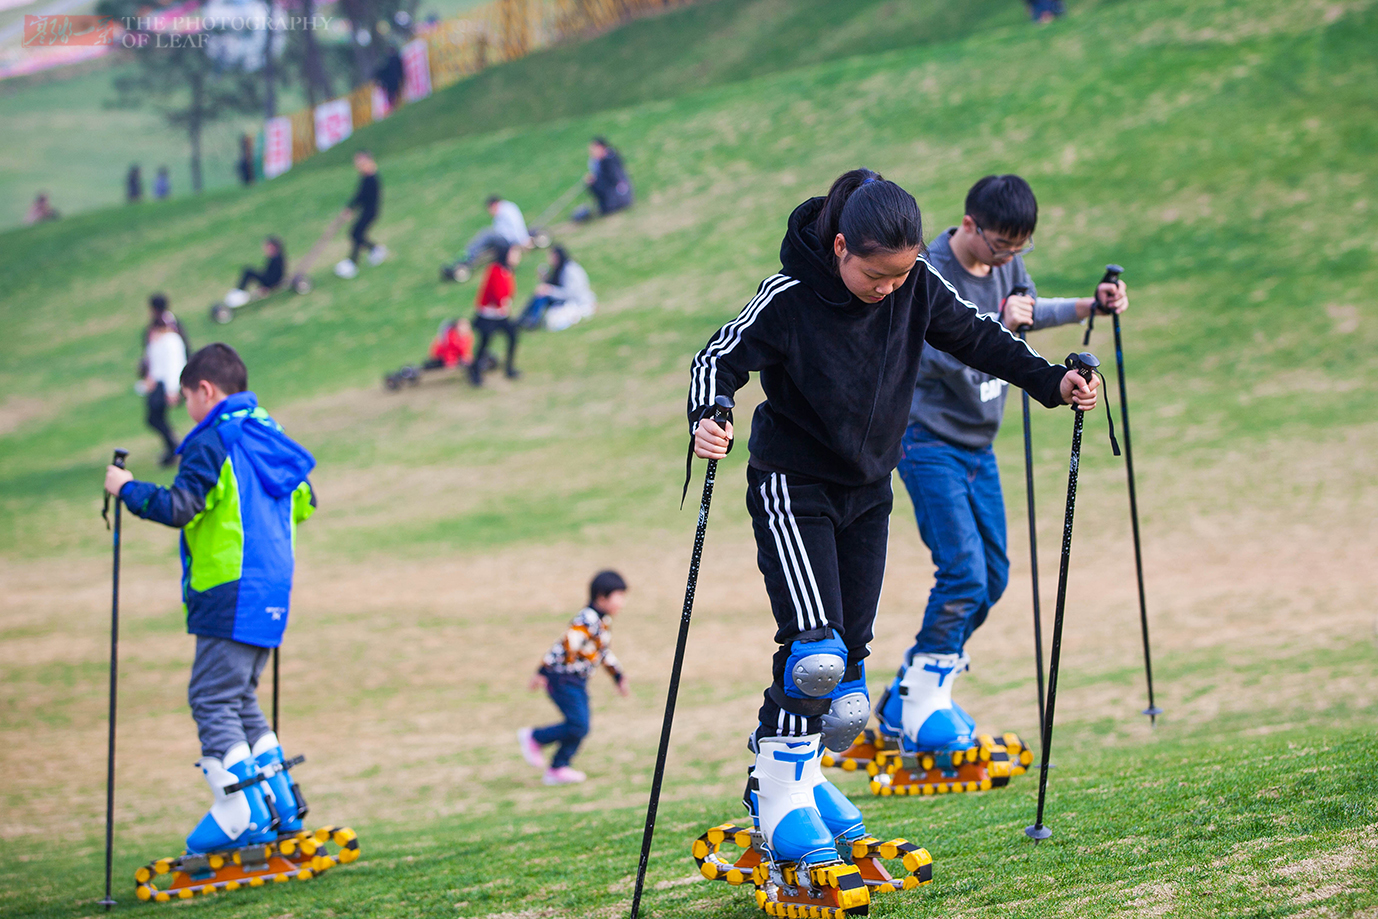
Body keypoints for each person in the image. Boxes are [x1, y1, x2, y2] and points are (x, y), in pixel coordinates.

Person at [686, 168, 1099, 869]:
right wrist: (711, 414)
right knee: (814, 655)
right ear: (842, 246)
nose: (889, 290)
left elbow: (977, 336)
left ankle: (804, 779)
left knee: (845, 681)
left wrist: (1051, 382)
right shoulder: (788, 298)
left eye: (900, 276)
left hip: (868, 491)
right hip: (794, 486)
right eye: (876, 276)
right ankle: (778, 793)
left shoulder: (915, 286)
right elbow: (717, 357)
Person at [874, 174, 1127, 755]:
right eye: (1001, 247)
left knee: (992, 577)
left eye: (1020, 250)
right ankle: (919, 705)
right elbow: (939, 360)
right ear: (970, 226)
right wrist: (1005, 328)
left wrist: (1091, 305)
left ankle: (910, 694)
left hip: (978, 443)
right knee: (962, 570)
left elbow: (1027, 313)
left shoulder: (1006, 266)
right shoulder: (927, 270)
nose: (1010, 259)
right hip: (926, 438)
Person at [103, 343, 317, 855]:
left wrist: (127, 489)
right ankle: (280, 806)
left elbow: (181, 507)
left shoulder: (215, 437)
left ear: (206, 389)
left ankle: (239, 813)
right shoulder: (271, 435)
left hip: (228, 588)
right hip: (271, 588)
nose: (186, 410)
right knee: (238, 697)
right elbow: (304, 501)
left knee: (211, 698)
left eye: (187, 398)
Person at [517, 571, 630, 785]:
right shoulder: (586, 619)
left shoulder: (602, 621)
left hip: (576, 681)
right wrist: (543, 672)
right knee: (579, 724)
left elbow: (603, 652)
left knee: (580, 725)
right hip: (562, 678)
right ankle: (535, 739)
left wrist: (618, 676)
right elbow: (564, 645)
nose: (622, 603)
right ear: (601, 596)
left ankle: (558, 768)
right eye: (619, 596)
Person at [469, 244, 522, 385]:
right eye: (514, 254)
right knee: (484, 343)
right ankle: (474, 371)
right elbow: (496, 294)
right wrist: (504, 303)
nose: (517, 258)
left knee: (512, 335)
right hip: (488, 315)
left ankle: (509, 368)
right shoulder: (495, 270)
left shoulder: (508, 271)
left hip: (501, 314)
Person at [141, 315, 187, 466]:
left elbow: (174, 366)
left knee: (155, 417)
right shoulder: (157, 341)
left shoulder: (171, 341)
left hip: (166, 386)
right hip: (158, 385)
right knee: (154, 418)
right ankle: (172, 445)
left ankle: (173, 445)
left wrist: (172, 390)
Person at [335, 150, 386, 279]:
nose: (358, 165)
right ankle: (375, 250)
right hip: (367, 210)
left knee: (356, 234)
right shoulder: (365, 177)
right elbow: (359, 195)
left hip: (371, 211)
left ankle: (354, 262)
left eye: (361, 162)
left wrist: (351, 209)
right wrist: (350, 208)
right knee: (356, 234)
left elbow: (363, 197)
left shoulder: (371, 178)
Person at [383, 318, 475, 388]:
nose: (466, 328)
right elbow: (449, 350)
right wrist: (450, 362)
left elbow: (465, 349)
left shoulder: (467, 337)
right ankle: (405, 373)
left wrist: (467, 357)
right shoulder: (451, 337)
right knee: (427, 366)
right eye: (463, 326)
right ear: (456, 327)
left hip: (455, 356)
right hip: (440, 356)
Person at [520, 246, 595, 331]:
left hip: (575, 301)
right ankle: (525, 319)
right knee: (540, 294)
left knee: (542, 296)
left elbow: (569, 294)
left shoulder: (569, 270)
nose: (549, 259)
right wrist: (544, 280)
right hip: (564, 298)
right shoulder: (560, 268)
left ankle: (531, 321)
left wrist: (550, 290)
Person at [573, 137, 633, 222]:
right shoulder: (600, 162)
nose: (592, 152)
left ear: (601, 148)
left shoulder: (610, 160)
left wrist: (594, 180)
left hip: (619, 197)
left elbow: (613, 179)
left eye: (594, 149)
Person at [225, 237, 287, 307]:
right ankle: (239, 292)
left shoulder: (276, 258)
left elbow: (275, 275)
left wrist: (268, 287)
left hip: (271, 282)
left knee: (248, 271)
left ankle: (239, 293)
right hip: (269, 280)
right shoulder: (274, 257)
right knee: (248, 271)